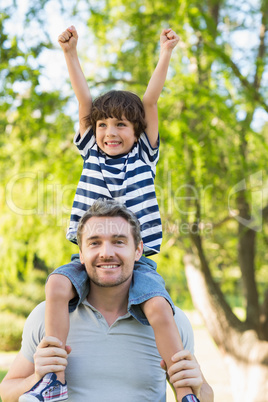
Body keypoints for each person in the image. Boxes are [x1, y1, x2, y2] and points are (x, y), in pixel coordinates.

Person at [19, 25, 195, 401]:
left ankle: (186, 391)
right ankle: (52, 379)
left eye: (120, 125)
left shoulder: (144, 155)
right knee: (56, 286)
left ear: (137, 131)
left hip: (138, 262)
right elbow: (84, 102)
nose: (110, 132)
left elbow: (150, 102)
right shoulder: (91, 152)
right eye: (103, 125)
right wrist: (70, 54)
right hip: (88, 259)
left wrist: (165, 53)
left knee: (161, 310)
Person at [0, 200, 214, 402]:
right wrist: (37, 376)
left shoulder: (171, 321)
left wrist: (198, 388)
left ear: (138, 250)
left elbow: (204, 395)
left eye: (119, 242)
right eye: (94, 243)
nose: (106, 253)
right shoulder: (46, 316)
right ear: (81, 254)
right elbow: (7, 392)